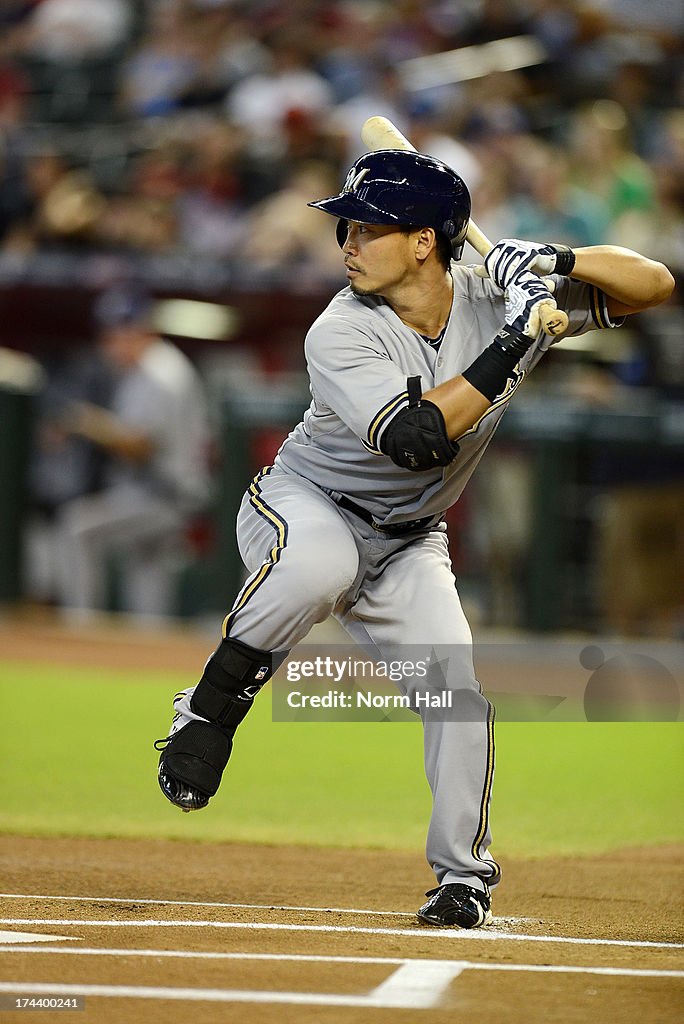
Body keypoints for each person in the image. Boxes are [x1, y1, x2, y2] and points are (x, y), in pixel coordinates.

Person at [154, 149, 673, 927]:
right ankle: (210, 707)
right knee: (317, 567)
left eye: (367, 227)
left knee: (458, 698)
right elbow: (419, 439)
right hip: (308, 502)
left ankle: (463, 878)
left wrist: (550, 259)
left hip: (409, 542)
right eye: (348, 228)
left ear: (425, 242)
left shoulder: (495, 291)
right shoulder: (340, 329)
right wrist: (514, 341)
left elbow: (656, 285)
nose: (347, 244)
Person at [55, 284, 212, 619]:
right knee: (147, 578)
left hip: (160, 496)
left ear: (142, 330)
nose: (112, 345)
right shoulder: (155, 367)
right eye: (110, 335)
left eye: (121, 334)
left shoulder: (159, 373)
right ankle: (148, 655)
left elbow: (139, 446)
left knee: (76, 526)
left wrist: (88, 424)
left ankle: (80, 630)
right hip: (164, 492)